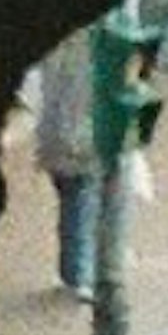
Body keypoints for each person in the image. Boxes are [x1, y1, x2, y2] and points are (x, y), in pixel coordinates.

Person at [29, 30, 104, 296]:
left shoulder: (53, 48)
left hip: (54, 139)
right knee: (82, 199)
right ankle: (80, 273)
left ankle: (73, 269)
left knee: (72, 200)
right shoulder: (95, 51)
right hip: (82, 139)